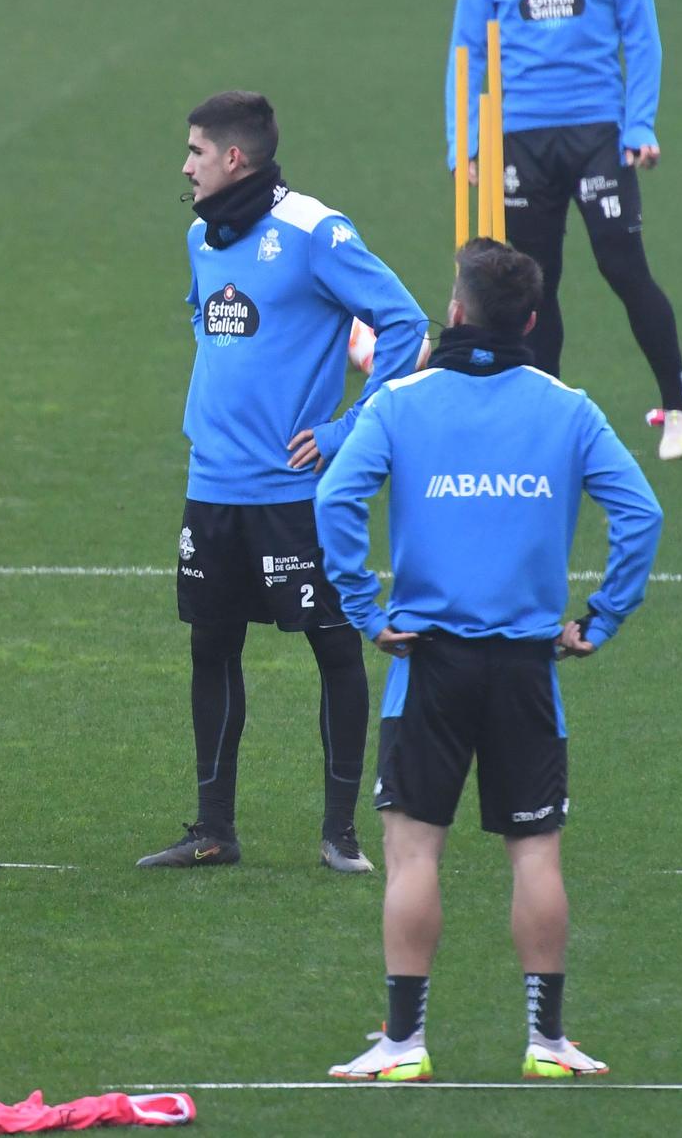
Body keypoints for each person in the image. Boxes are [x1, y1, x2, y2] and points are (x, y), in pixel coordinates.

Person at [315, 238, 661, 1082]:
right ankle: (547, 1041)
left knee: (414, 854)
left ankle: (403, 1043)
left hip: (426, 663)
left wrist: (368, 609)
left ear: (457, 311)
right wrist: (599, 619)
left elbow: (334, 497)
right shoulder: (568, 407)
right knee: (536, 852)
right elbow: (641, 514)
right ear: (533, 321)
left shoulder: (399, 403)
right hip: (526, 668)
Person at [138, 91, 428, 874]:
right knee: (211, 647)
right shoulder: (202, 235)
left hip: (293, 496)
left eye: (195, 150)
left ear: (235, 157)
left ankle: (340, 833)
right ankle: (212, 829)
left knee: (333, 646)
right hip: (213, 486)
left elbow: (404, 323)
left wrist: (346, 431)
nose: (186, 164)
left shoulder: (315, 231)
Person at [447, 0, 682, 460]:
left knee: (623, 268)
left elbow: (641, 35)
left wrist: (638, 125)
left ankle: (680, 410)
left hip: (596, 137)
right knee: (536, 286)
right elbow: (466, 53)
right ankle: (547, 418)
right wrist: (466, 145)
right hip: (518, 143)